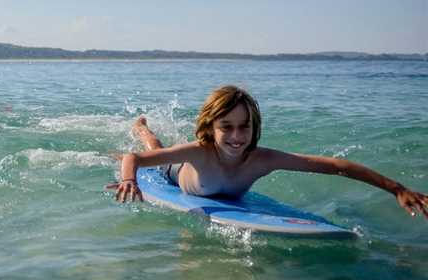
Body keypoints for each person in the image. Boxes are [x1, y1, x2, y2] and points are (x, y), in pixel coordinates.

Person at [109, 85, 428, 219]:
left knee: (160, 149)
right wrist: (129, 179)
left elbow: (334, 166)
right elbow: (132, 159)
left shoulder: (264, 160)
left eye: (244, 126)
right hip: (177, 174)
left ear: (254, 126)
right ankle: (142, 128)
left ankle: (145, 131)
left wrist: (396, 189)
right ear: (211, 127)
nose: (236, 136)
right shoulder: (199, 151)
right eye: (226, 127)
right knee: (156, 150)